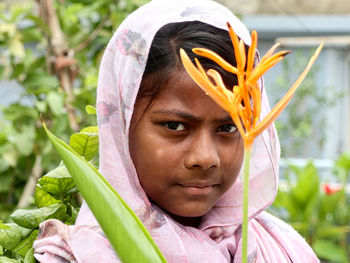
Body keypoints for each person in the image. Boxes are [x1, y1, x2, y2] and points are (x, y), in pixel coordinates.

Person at [33, 0, 319, 262]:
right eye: (175, 126)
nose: (205, 158)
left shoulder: (283, 248)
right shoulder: (80, 255)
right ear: (122, 125)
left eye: (229, 127)